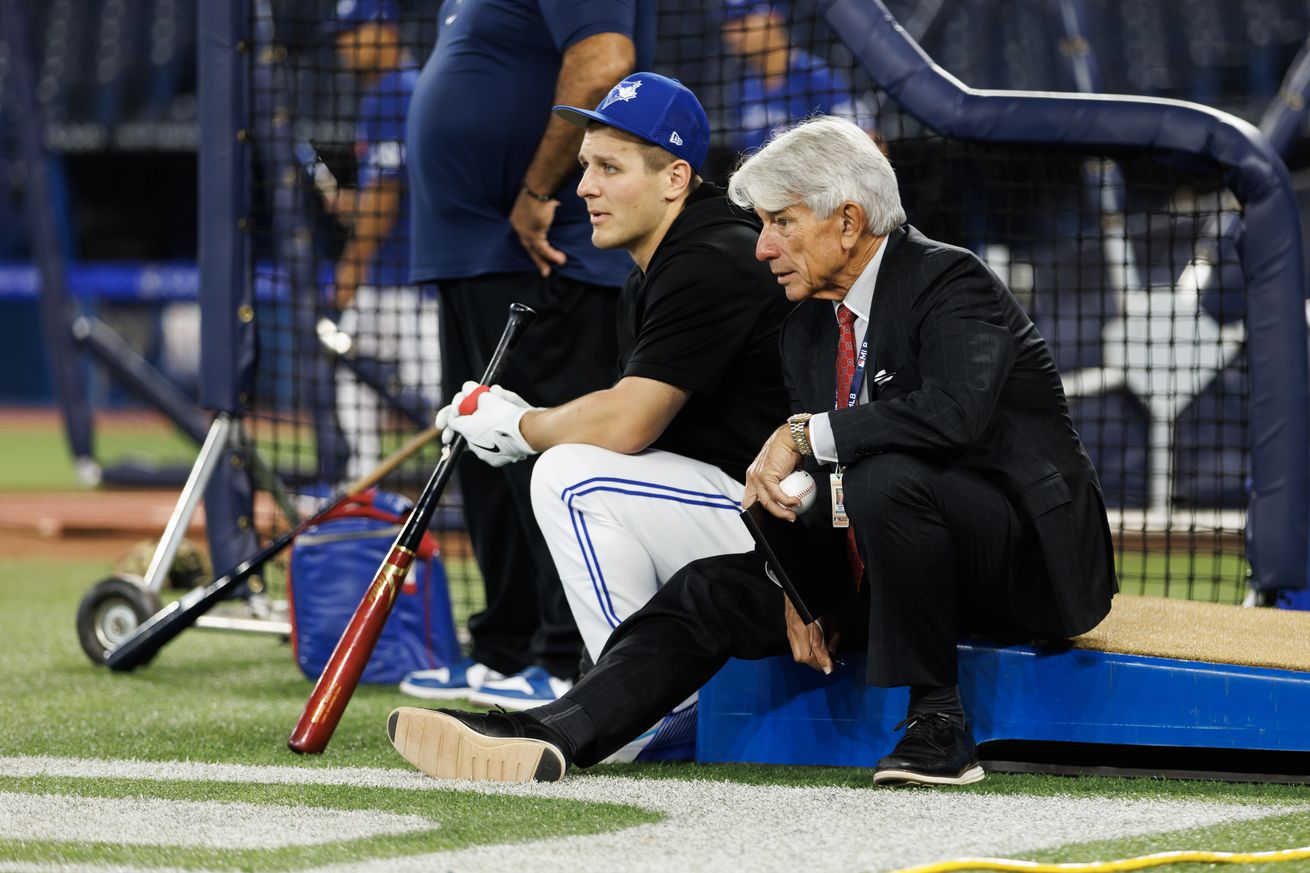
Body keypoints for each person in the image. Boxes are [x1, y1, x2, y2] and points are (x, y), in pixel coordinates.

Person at [386, 116, 1117, 787]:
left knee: (890, 474)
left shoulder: (950, 280)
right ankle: (558, 729)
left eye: (780, 223)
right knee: (712, 588)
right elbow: (817, 487)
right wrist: (801, 584)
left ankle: (939, 723)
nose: (763, 245)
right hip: (889, 562)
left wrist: (803, 433)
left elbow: (949, 418)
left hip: (1018, 567)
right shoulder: (805, 327)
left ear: (849, 221)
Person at [435, 73, 792, 756]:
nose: (584, 189)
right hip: (754, 521)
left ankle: (641, 711)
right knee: (584, 469)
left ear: (674, 178)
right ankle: (631, 691)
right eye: (584, 167)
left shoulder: (708, 259)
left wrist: (521, 426)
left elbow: (630, 422)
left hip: (788, 537)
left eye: (608, 168)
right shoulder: (667, 260)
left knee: (571, 477)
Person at [399, 1, 642, 707]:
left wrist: (538, 189)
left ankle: (566, 653)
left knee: (545, 453)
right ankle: (507, 646)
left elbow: (604, 61)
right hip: (474, 252)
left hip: (543, 252)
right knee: (480, 452)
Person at [318, 0, 439, 480]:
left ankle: (365, 481)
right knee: (358, 374)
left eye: (354, 32)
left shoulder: (392, 92)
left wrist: (351, 265)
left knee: (431, 392)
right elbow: (393, 189)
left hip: (402, 281)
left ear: (385, 29)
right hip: (413, 276)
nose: (344, 46)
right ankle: (366, 479)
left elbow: (387, 197)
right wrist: (357, 203)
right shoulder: (416, 86)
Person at [720, 1, 878, 154]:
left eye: (741, 22)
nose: (731, 35)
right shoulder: (742, 89)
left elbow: (869, 145)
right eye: (728, 25)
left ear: (773, 18)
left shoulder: (817, 77)